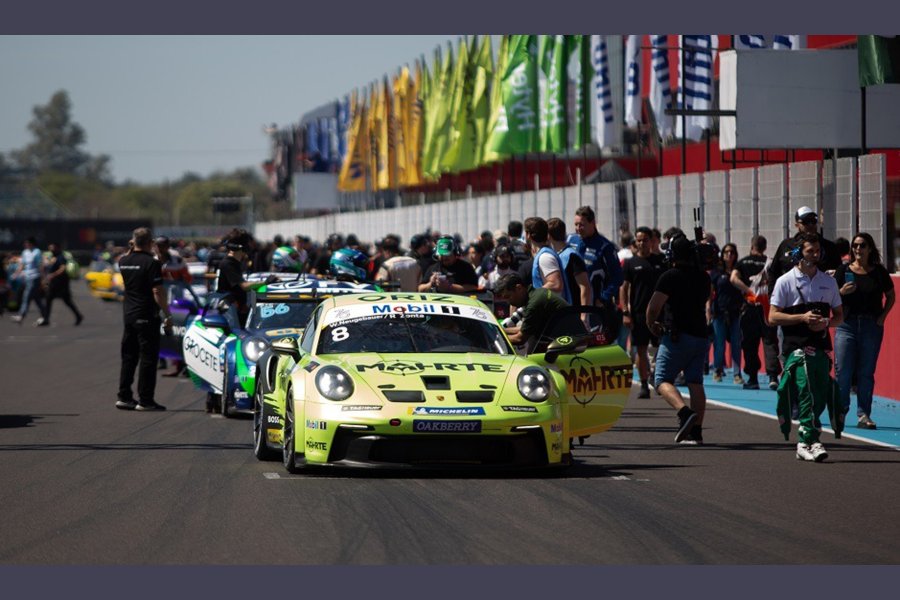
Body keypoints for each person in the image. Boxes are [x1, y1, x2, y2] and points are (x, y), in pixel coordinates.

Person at [768, 233, 844, 462]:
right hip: (795, 348)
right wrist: (802, 318)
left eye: (818, 250)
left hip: (820, 345)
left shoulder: (828, 281)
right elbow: (772, 317)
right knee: (806, 388)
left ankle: (809, 438)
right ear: (799, 253)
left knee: (820, 392)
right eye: (811, 251)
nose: (816, 254)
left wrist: (826, 323)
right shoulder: (785, 281)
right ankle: (807, 440)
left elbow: (839, 316)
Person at [645, 235, 712, 445]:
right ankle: (696, 432)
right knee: (695, 382)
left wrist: (651, 325)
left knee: (661, 379)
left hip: (677, 335)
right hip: (700, 335)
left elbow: (654, 307)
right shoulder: (703, 277)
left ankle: (684, 413)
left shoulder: (669, 276)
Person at [834, 233, 895, 430]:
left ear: (870, 249)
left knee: (866, 372)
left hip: (871, 326)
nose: (858, 249)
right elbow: (830, 296)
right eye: (855, 246)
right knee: (843, 371)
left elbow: (891, 296)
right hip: (847, 326)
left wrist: (883, 316)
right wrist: (841, 292)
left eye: (862, 246)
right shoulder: (843, 271)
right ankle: (841, 411)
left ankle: (864, 414)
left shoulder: (878, 272)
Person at [115, 228, 172, 411]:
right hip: (147, 315)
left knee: (129, 357)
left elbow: (130, 255)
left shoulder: (123, 261)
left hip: (129, 315)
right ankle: (145, 400)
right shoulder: (152, 263)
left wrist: (135, 247)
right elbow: (157, 291)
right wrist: (168, 314)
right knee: (148, 358)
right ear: (150, 243)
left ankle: (124, 396)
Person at [730, 235, 781, 390]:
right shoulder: (770, 263)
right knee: (770, 341)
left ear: (751, 246)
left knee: (750, 344)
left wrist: (748, 291)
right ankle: (773, 376)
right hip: (767, 307)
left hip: (750, 307)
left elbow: (733, 279)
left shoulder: (743, 262)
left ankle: (753, 378)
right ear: (764, 247)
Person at [621, 227, 666, 399]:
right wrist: (625, 311)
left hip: (659, 313)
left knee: (660, 348)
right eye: (639, 240)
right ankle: (645, 384)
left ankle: (658, 376)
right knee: (640, 350)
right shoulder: (630, 263)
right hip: (639, 314)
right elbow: (623, 289)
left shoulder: (660, 261)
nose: (642, 243)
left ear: (651, 241)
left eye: (645, 239)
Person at [494, 272, 586, 354]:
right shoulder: (535, 295)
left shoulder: (534, 303)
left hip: (575, 347)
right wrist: (500, 330)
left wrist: (494, 337)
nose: (507, 302)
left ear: (519, 288)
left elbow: (520, 338)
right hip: (571, 342)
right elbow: (525, 328)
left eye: (508, 296)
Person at [216, 229, 277, 325]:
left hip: (238, 312)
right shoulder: (228, 263)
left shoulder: (236, 263)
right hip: (232, 317)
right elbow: (244, 286)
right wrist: (266, 282)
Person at [768, 206, 840, 285]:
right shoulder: (786, 245)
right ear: (797, 225)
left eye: (813, 221)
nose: (810, 225)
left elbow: (839, 273)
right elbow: (773, 272)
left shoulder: (829, 247)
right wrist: (772, 293)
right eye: (806, 222)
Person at [574, 205, 624, 316]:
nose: (578, 228)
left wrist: (603, 298)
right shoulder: (572, 241)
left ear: (593, 223)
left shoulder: (605, 246)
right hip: (573, 304)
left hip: (595, 308)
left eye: (581, 225)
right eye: (576, 225)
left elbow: (617, 276)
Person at [710, 243, 745, 385]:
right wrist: (708, 310)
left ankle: (737, 373)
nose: (729, 255)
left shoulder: (739, 272)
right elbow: (710, 293)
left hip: (735, 312)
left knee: (736, 344)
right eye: (726, 252)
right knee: (720, 344)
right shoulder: (717, 272)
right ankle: (718, 370)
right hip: (719, 312)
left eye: (731, 252)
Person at [524, 217, 571, 303]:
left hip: (555, 313)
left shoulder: (545, 257)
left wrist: (532, 294)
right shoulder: (543, 255)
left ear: (528, 235)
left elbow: (556, 284)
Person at [547, 218, 591, 309]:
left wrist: (584, 314)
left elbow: (585, 286)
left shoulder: (572, 256)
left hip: (574, 311)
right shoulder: (554, 255)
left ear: (549, 236)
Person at [10, 237, 49, 326]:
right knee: (36, 299)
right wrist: (16, 274)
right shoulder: (25, 252)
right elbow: (22, 264)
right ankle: (45, 316)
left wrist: (43, 278)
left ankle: (21, 315)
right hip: (27, 277)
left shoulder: (37, 252)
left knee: (26, 296)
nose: (25, 244)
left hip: (35, 277)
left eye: (27, 243)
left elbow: (40, 265)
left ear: (32, 243)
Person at [44, 242, 84, 326]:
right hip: (56, 283)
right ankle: (46, 319)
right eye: (50, 248)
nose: (51, 250)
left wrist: (53, 275)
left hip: (61, 284)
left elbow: (63, 268)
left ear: (57, 248)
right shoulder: (54, 257)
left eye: (52, 248)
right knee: (50, 299)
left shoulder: (61, 257)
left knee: (66, 301)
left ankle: (78, 316)